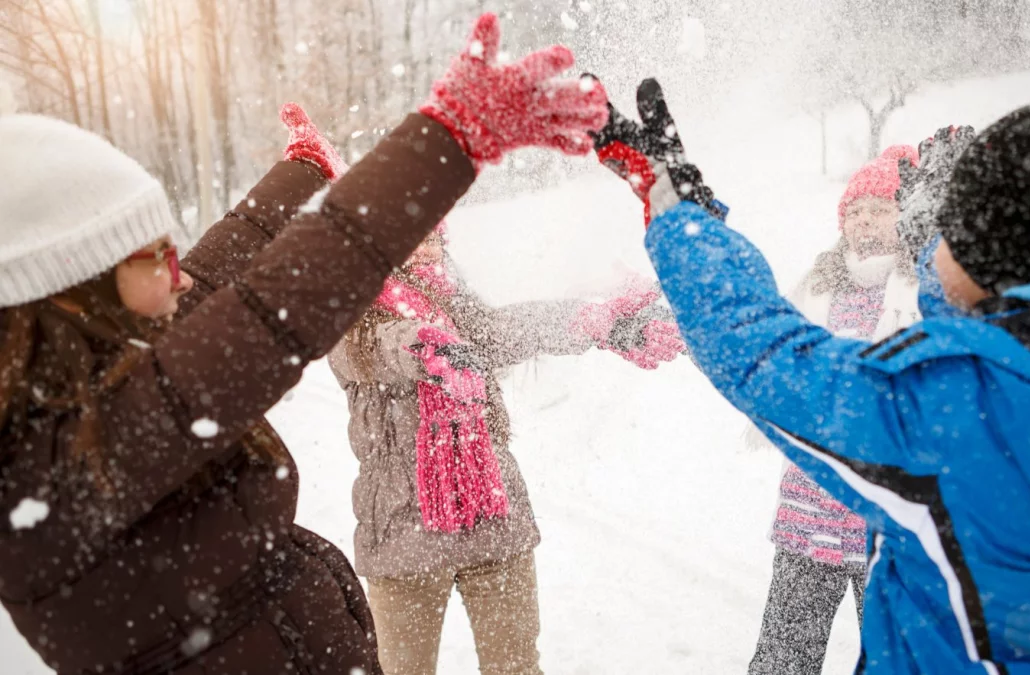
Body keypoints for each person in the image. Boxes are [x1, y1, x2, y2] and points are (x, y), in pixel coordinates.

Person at [0, 14, 608, 674]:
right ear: (70, 296)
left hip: (485, 527)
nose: (177, 273)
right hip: (403, 542)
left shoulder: (99, 383)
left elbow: (210, 285)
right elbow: (266, 316)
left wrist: (300, 176)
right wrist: (446, 141)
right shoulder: (62, 458)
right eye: (151, 256)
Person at [593, 53, 1030, 675]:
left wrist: (678, 209)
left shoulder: (946, 406)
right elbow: (1006, 316)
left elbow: (763, 351)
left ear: (991, 256)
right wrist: (935, 239)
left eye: (952, 232)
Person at [328, 223, 683, 675]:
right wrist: (425, 346)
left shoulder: (457, 307)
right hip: (404, 537)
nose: (428, 247)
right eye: (411, 235)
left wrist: (595, 322)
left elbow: (509, 327)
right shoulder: (347, 315)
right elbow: (378, 349)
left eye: (434, 236)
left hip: (494, 519)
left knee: (517, 669)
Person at [744, 145, 920, 675]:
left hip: (888, 519)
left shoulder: (923, 288)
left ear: (906, 217)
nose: (864, 221)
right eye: (855, 211)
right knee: (783, 661)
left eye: (880, 209)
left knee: (899, 662)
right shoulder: (815, 288)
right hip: (809, 509)